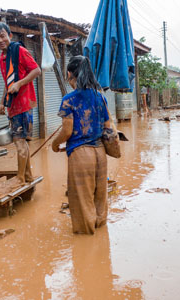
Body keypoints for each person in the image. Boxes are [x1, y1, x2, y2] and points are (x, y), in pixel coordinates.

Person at [51, 55, 110, 234]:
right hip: (101, 153)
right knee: (100, 199)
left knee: (82, 204)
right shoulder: (100, 97)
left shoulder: (69, 99)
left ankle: (86, 249)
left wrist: (55, 144)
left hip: (81, 155)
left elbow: (67, 131)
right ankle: (100, 247)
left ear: (70, 74)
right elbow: (108, 127)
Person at [0, 22, 41, 183]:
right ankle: (27, 176)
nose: (0, 40)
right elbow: (8, 83)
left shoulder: (19, 50)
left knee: (20, 142)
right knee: (21, 141)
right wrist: (2, 103)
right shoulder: (3, 57)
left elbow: (36, 70)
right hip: (13, 105)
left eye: (2, 36)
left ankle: (20, 177)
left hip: (24, 103)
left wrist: (20, 83)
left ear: (10, 35)